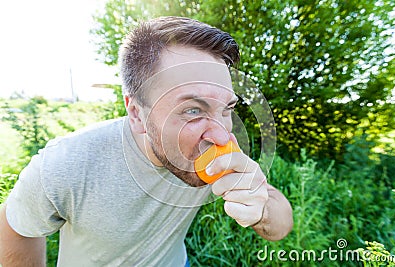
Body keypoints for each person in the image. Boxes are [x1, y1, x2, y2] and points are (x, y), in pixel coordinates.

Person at [0, 16, 293, 266]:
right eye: (193, 110)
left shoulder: (214, 148)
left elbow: (281, 223)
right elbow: (15, 226)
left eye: (227, 109)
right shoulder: (66, 164)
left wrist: (261, 209)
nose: (220, 134)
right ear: (137, 113)